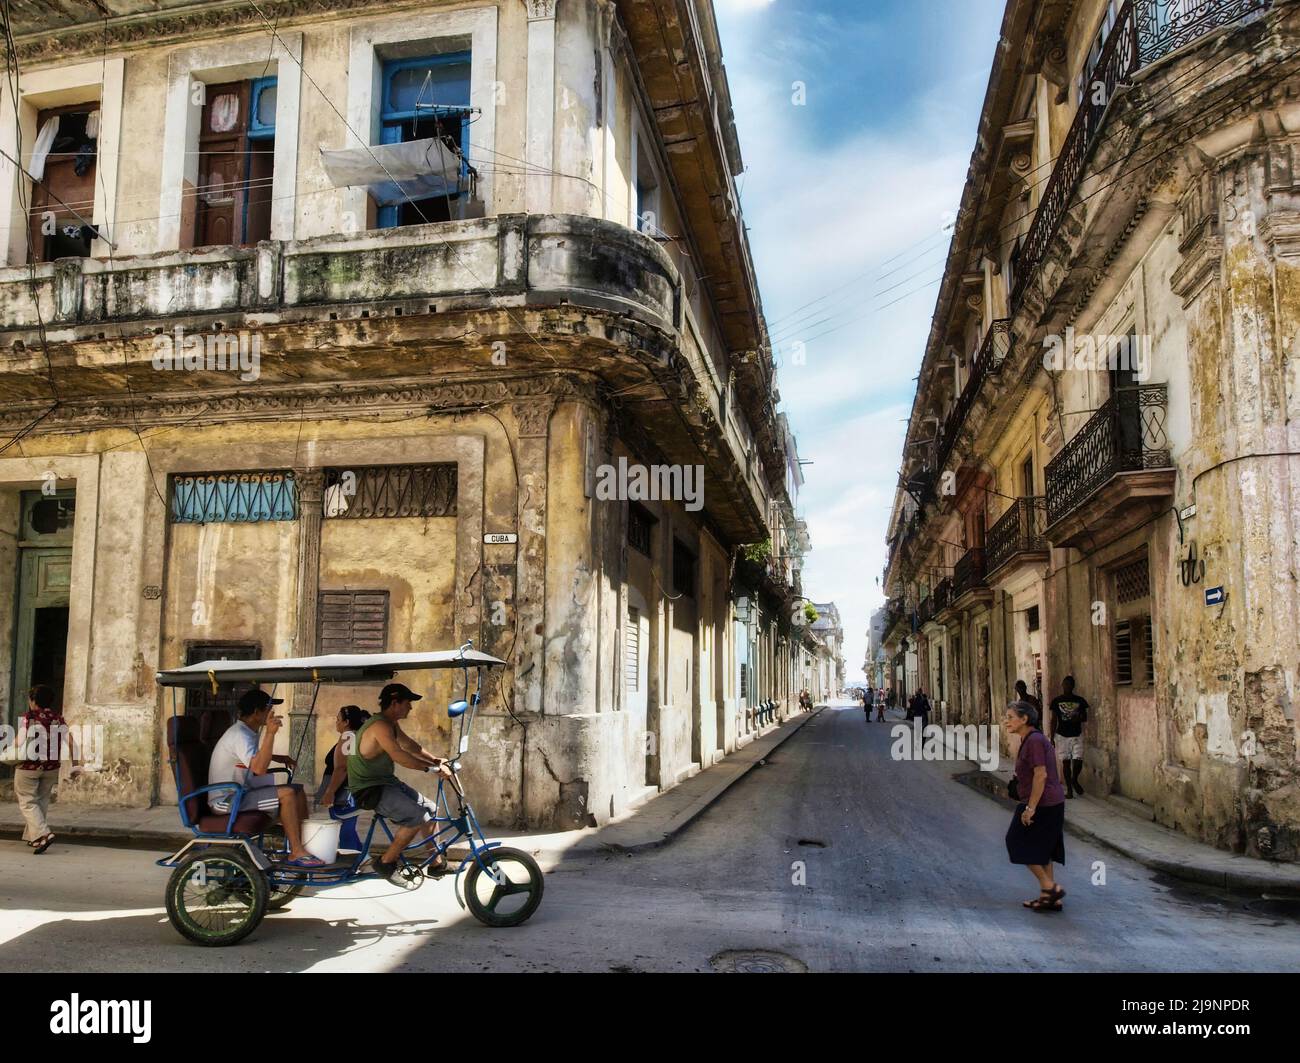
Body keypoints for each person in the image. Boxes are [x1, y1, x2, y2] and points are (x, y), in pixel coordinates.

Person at [347, 682, 456, 884]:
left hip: (386, 782)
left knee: (431, 810)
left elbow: (409, 745)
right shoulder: (379, 726)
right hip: (369, 789)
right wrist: (430, 769)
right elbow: (399, 755)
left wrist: (435, 760)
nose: (411, 707)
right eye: (408, 703)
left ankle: (436, 863)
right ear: (395, 703)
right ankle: (386, 862)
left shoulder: (390, 724)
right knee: (417, 816)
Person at [208, 688, 323, 867]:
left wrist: (277, 757)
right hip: (226, 800)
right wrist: (270, 733)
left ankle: (303, 844)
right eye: (268, 709)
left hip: (241, 794)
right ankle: (296, 851)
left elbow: (252, 757)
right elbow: (259, 768)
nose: (272, 713)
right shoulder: (239, 735)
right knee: (287, 794)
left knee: (297, 790)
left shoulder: (246, 732)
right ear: (256, 712)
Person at [1003, 699, 1066, 911]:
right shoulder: (1030, 739)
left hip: (1042, 803)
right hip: (1048, 801)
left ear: (1025, 719)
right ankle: (1050, 899)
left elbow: (1041, 775)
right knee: (1044, 850)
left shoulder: (1034, 741)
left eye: (1011, 717)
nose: (1006, 721)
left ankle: (1050, 888)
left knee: (1016, 841)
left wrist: (1030, 808)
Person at [14, 684, 80, 855]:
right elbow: (72, 743)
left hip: (28, 767)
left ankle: (44, 834)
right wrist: (76, 764)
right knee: (41, 801)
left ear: (33, 701)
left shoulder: (29, 718)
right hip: (51, 768)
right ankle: (33, 837)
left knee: (28, 802)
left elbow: (18, 743)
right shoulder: (58, 718)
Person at [1048, 676, 1090, 798]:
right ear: (1062, 685)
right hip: (1062, 735)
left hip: (1077, 734)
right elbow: (1054, 720)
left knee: (1078, 761)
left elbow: (1085, 717)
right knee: (1066, 763)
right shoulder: (1056, 701)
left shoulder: (1080, 701)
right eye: (1065, 684)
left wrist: (1079, 718)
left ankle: (1074, 779)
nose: (1067, 686)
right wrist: (1052, 737)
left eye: (1069, 684)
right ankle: (1070, 790)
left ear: (1073, 686)